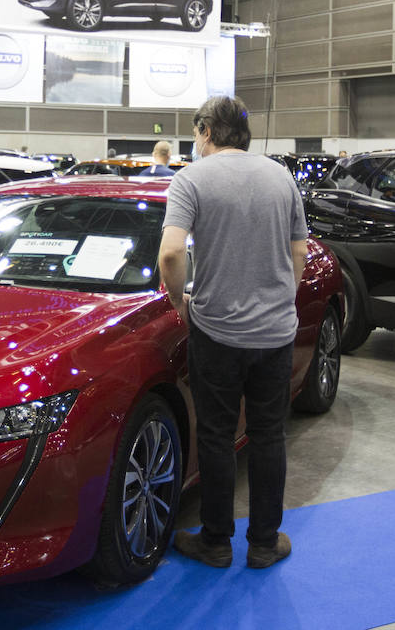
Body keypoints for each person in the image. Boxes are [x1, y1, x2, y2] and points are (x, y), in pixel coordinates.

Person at [158, 96, 308, 571]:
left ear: (205, 131)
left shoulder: (190, 179)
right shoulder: (281, 177)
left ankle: (216, 542)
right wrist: (281, 298)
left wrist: (180, 301)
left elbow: (170, 254)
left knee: (218, 436)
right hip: (275, 334)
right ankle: (264, 543)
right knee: (268, 436)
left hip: (217, 332)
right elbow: (298, 249)